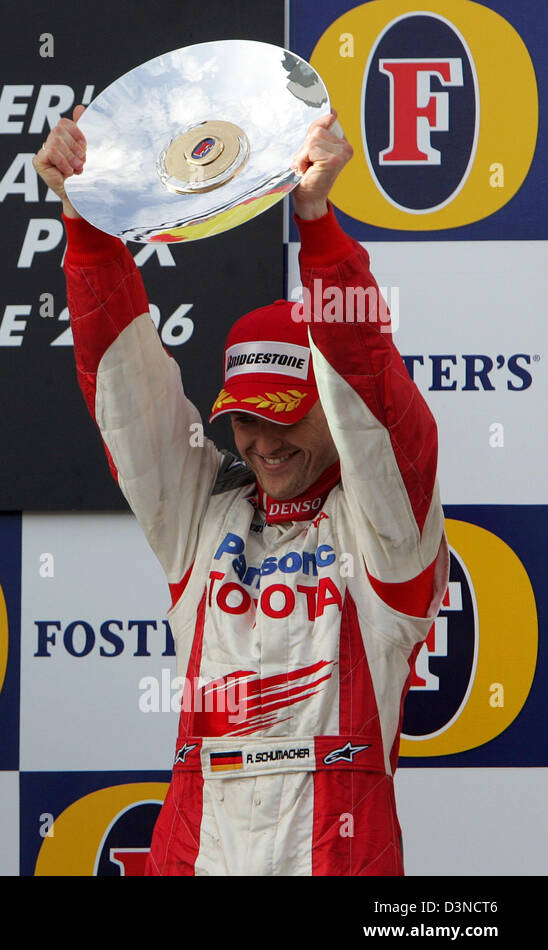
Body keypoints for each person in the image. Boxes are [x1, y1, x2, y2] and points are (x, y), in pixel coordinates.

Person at [34, 109, 447, 875]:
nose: (261, 441)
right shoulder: (203, 514)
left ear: (326, 406)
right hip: (198, 851)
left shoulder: (387, 534)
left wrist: (318, 228)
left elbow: (380, 412)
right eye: (244, 421)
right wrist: (86, 221)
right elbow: (130, 390)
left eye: (283, 416)